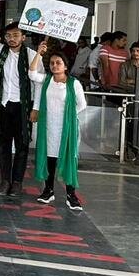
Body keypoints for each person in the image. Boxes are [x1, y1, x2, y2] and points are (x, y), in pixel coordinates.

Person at [0, 0, 44, 197]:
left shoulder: (33, 55)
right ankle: (5, 181)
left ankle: (17, 183)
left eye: (16, 35)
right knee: (3, 145)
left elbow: (39, 84)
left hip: (23, 107)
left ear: (23, 37)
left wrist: (36, 108)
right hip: (2, 105)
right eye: (8, 35)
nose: (11, 39)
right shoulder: (1, 51)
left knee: (22, 145)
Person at [29, 48, 87, 211]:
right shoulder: (47, 80)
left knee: (68, 159)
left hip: (66, 129)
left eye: (58, 63)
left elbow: (82, 104)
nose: (54, 65)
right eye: (52, 63)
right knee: (50, 159)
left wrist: (69, 116)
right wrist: (38, 54)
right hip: (48, 127)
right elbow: (32, 74)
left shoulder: (73, 83)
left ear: (65, 66)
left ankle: (71, 195)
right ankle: (48, 191)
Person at [115, 42, 139, 161]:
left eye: (138, 51)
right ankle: (127, 149)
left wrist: (132, 81)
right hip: (129, 97)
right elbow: (121, 83)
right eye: (133, 51)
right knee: (128, 123)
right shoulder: (124, 65)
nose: (135, 53)